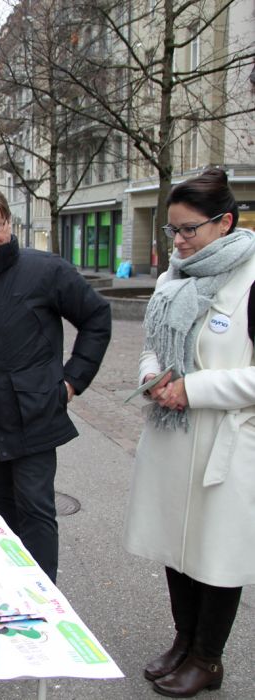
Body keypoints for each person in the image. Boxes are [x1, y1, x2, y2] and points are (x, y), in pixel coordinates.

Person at [0, 187, 110, 583]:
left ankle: (45, 599)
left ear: (9, 223)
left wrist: (72, 381)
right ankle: (8, 588)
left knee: (36, 509)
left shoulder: (46, 271)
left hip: (35, 413)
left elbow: (96, 317)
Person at [123, 169, 255, 698]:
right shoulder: (173, 276)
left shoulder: (249, 280)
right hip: (173, 434)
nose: (178, 242)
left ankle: (208, 657)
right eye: (171, 231)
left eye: (188, 230)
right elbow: (154, 343)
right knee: (175, 545)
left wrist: (194, 390)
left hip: (225, 440)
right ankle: (183, 641)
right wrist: (152, 377)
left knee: (215, 554)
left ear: (224, 222)